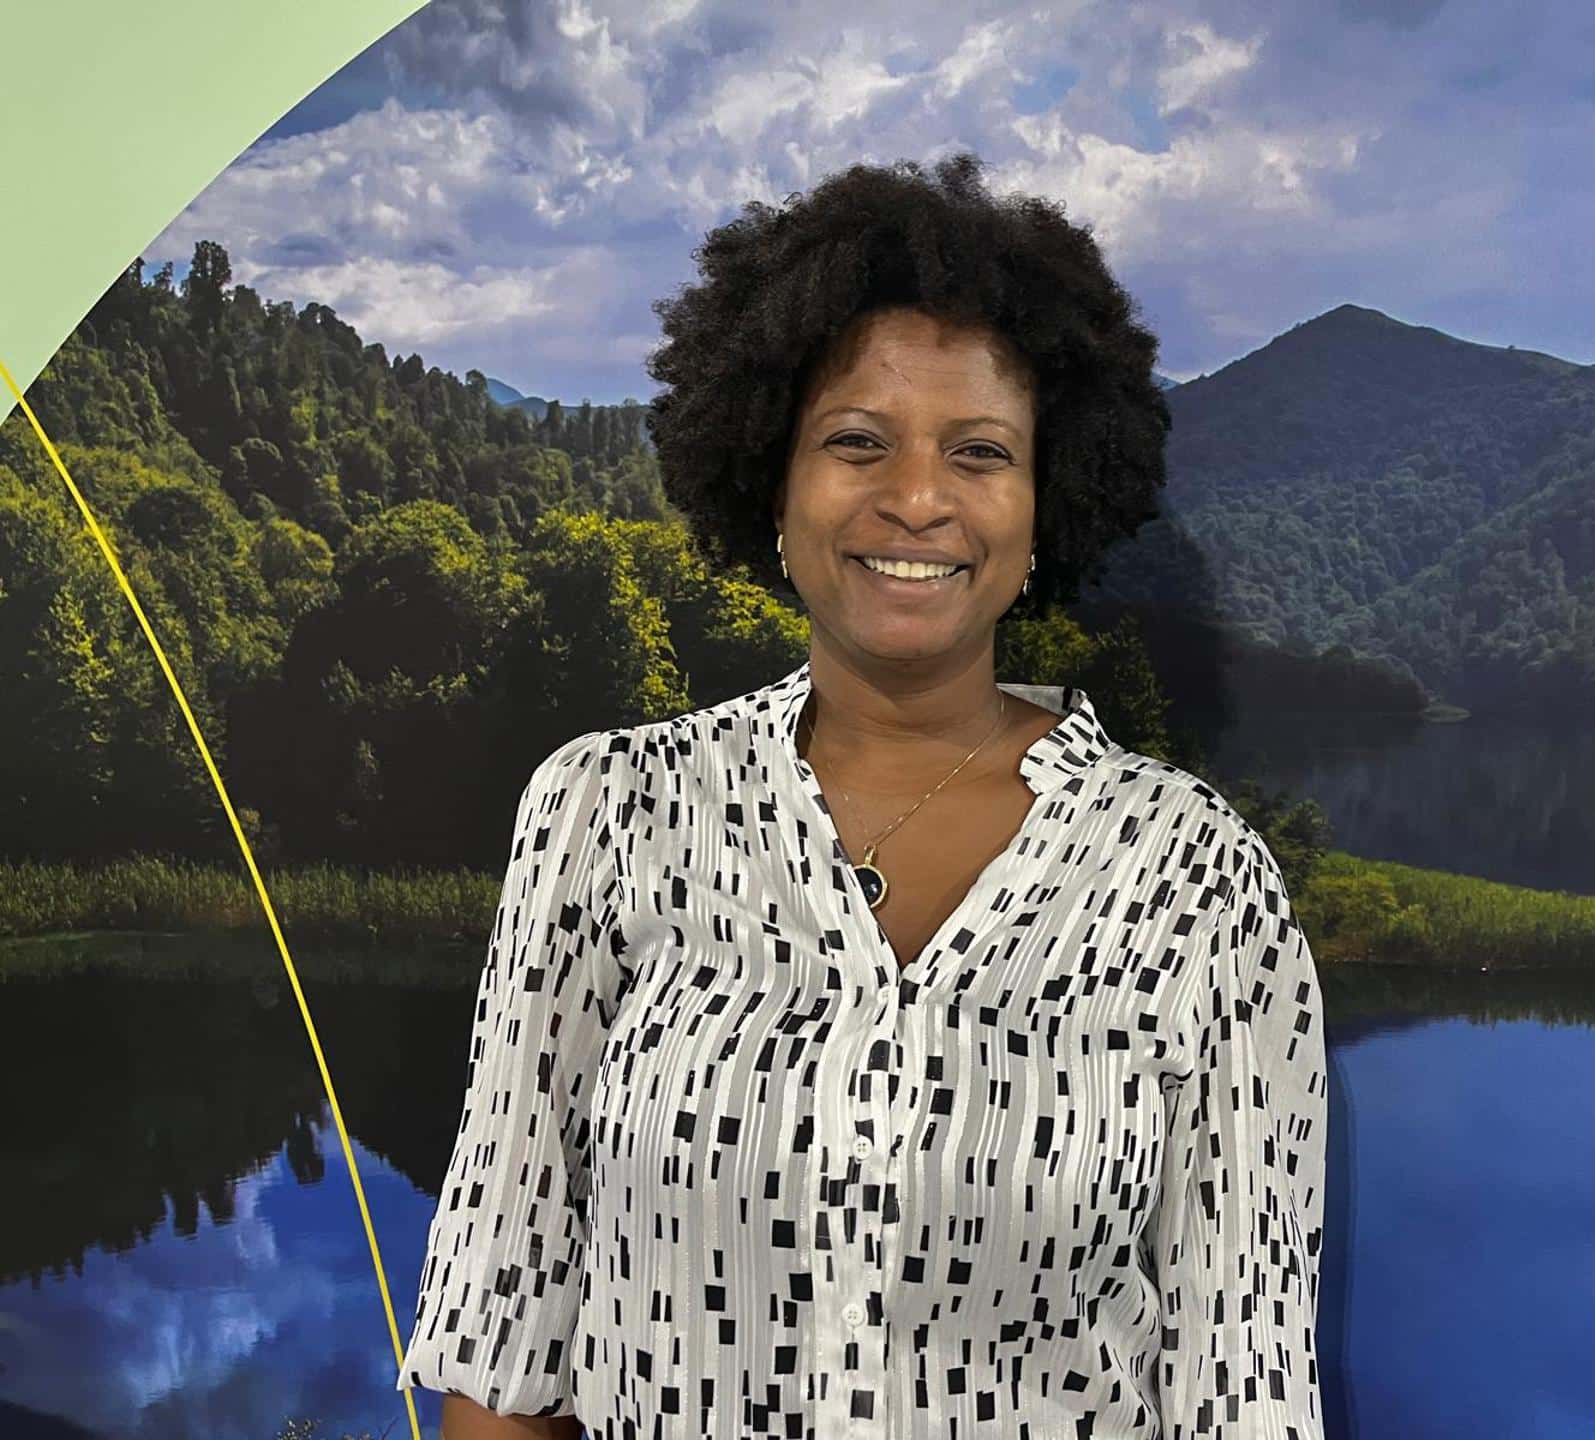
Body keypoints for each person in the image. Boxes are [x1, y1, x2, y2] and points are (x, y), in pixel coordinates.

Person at [397, 152, 1327, 1440]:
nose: (918, 498)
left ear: (1047, 503)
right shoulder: (603, 814)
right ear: (769, 479)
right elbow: (504, 1338)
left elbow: (1246, 1386)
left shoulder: (1197, 878)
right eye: (856, 441)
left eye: (981, 452)